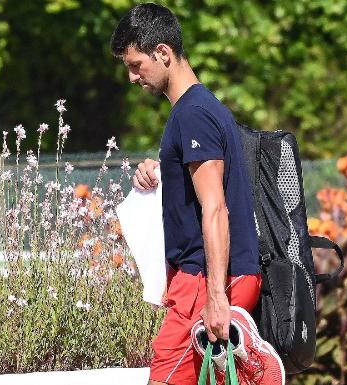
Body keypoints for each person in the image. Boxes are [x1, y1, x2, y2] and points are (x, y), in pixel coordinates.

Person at [110, 4, 284, 385]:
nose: (131, 77)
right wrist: (159, 172)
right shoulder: (202, 108)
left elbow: (215, 207)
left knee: (165, 378)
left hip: (208, 280)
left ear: (164, 54)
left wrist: (217, 298)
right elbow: (205, 185)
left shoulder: (193, 114)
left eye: (136, 64)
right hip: (210, 277)